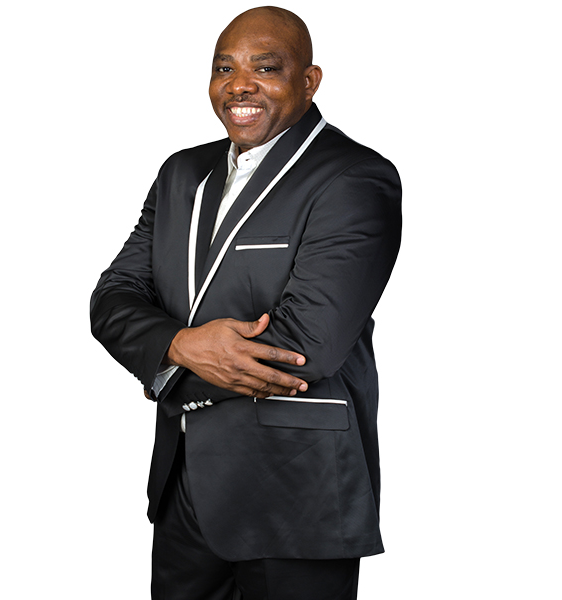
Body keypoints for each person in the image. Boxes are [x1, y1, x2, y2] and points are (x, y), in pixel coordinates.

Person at [91, 6, 401, 599]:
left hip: (295, 489)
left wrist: (167, 366)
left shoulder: (354, 177)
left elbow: (308, 345)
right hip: (183, 485)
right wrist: (177, 343)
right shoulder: (181, 173)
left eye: (265, 67)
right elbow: (113, 297)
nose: (240, 85)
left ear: (309, 81)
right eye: (224, 68)